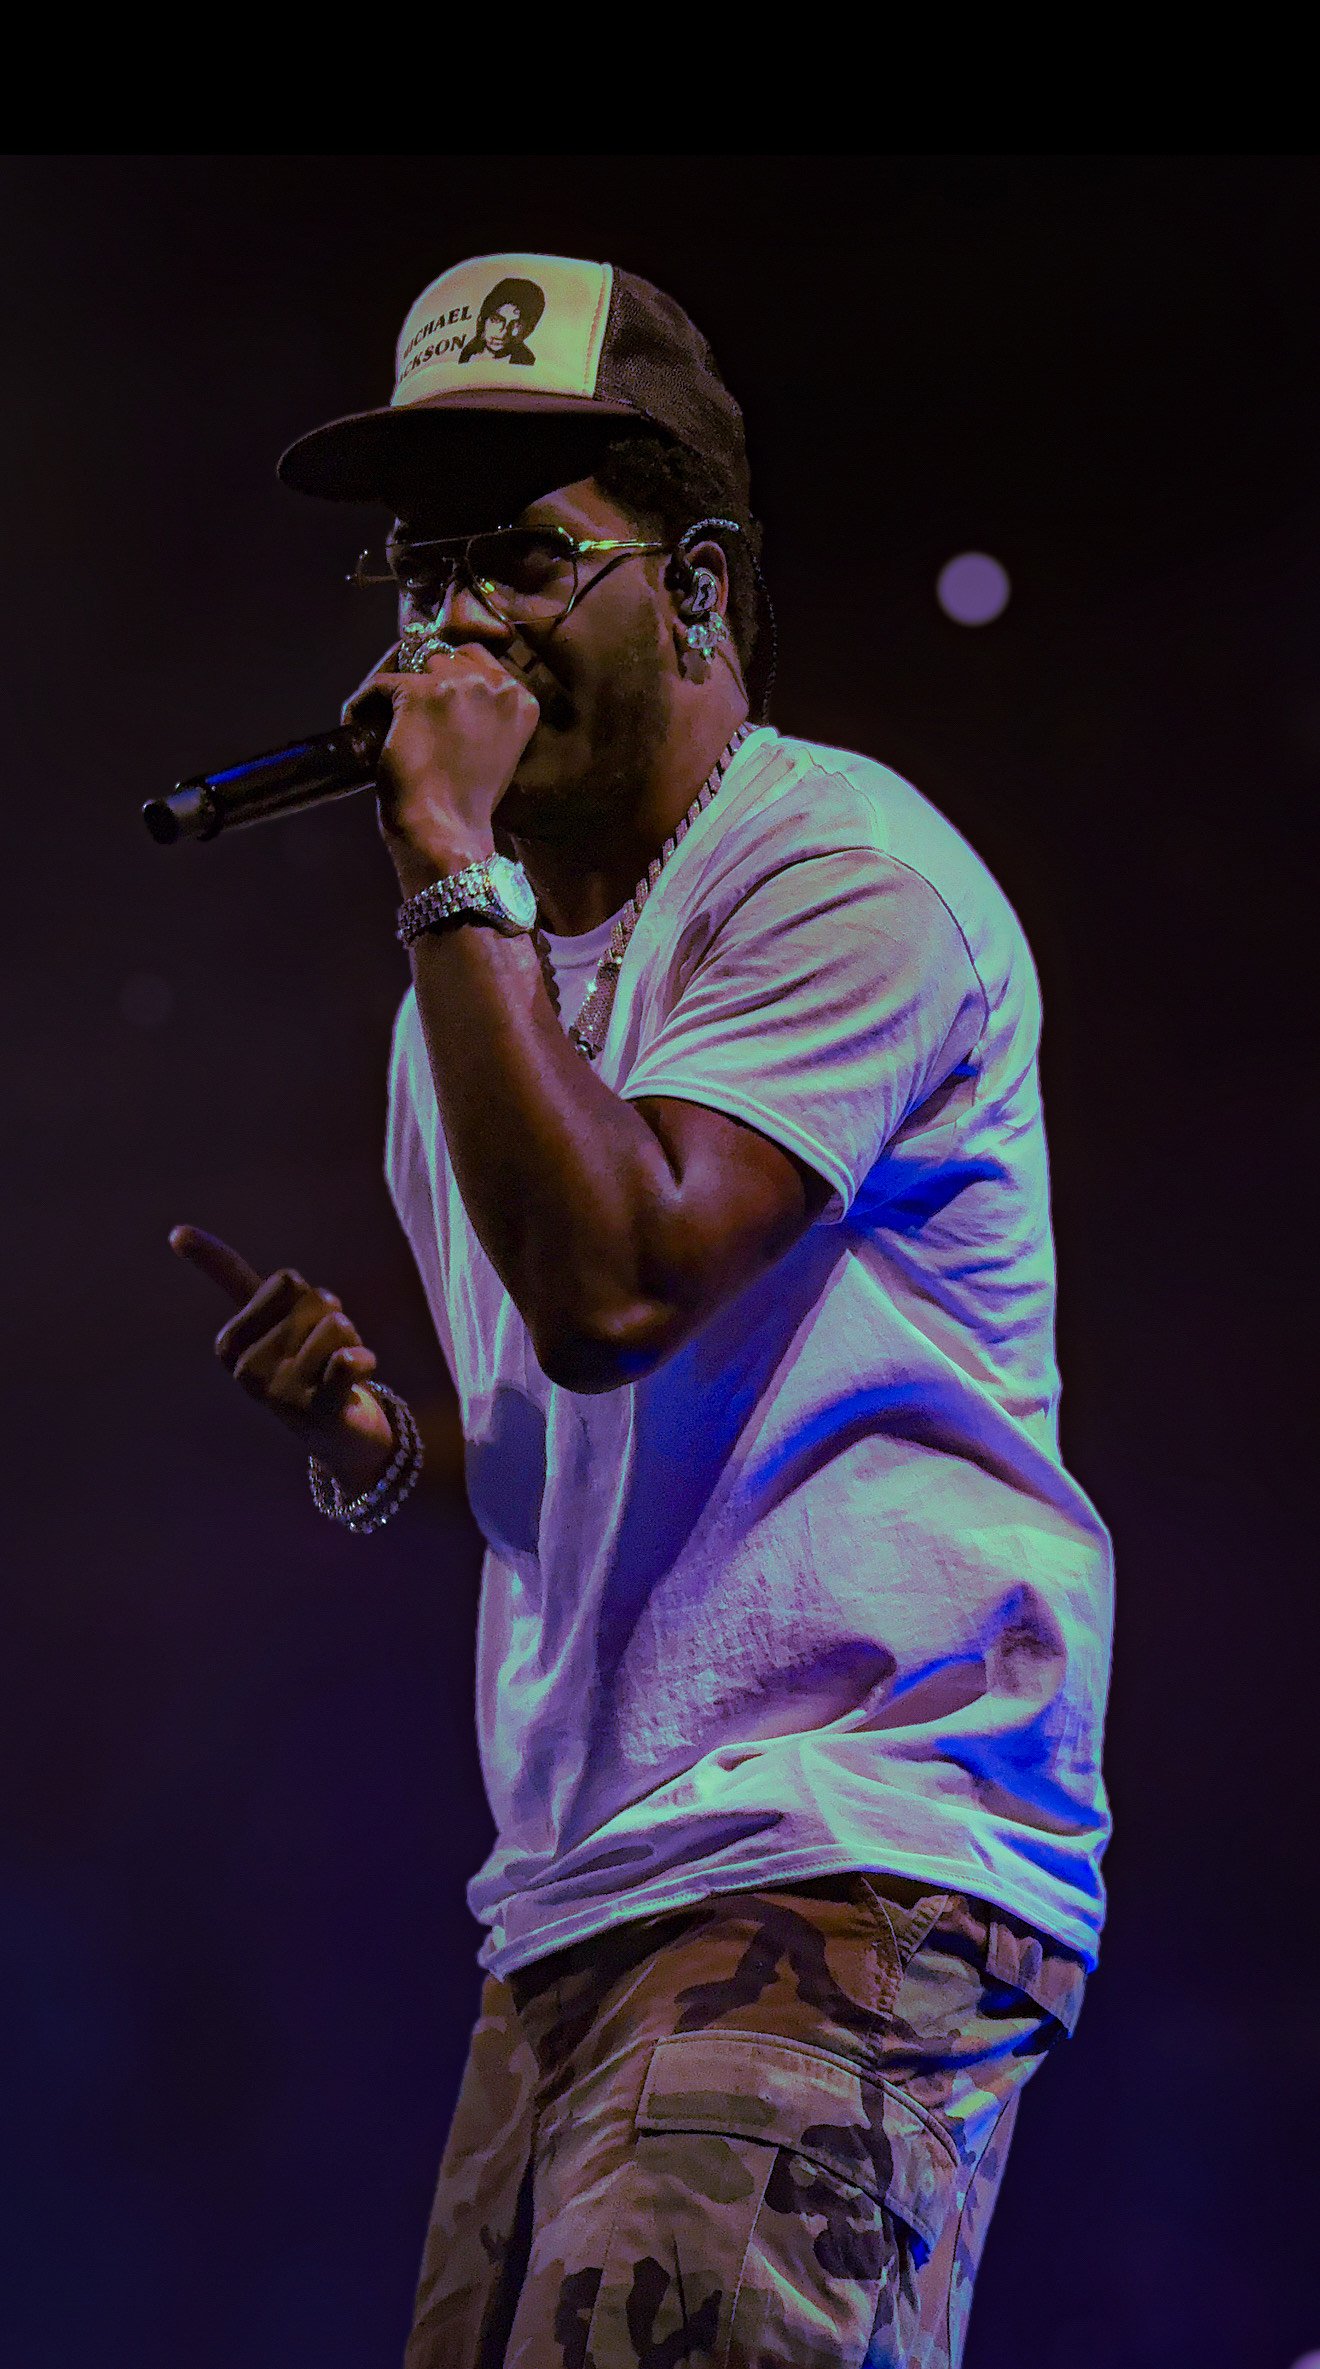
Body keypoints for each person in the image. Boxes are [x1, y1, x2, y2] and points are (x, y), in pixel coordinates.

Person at [170, 250, 1114, 2369]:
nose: (451, 629)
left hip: (847, 1855)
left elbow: (613, 1285)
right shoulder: (470, 999)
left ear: (692, 590)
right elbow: (597, 1453)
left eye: (517, 560)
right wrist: (394, 1448)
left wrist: (438, 851)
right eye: (420, 574)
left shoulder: (838, 874)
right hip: (576, 1895)